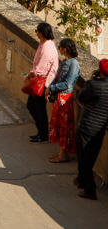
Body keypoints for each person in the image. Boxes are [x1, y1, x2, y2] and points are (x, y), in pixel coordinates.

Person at [74, 58, 108, 200]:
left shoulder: (94, 85)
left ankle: (89, 189)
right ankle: (82, 180)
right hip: (100, 129)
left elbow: (81, 97)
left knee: (84, 159)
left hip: (88, 127)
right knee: (91, 157)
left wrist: (89, 82)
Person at [47, 38, 79, 162]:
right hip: (59, 98)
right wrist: (51, 89)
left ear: (64, 49)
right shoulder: (65, 62)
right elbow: (57, 78)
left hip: (65, 99)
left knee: (64, 126)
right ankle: (61, 153)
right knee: (59, 125)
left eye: (60, 47)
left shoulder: (73, 64)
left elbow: (67, 83)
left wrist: (52, 88)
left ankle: (63, 154)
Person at [27, 22, 59, 143]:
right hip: (39, 80)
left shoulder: (47, 47)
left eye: (37, 31)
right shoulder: (43, 44)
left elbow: (42, 66)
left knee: (38, 108)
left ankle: (43, 133)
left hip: (42, 82)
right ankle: (41, 132)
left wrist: (32, 74)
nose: (36, 33)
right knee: (33, 106)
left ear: (41, 33)